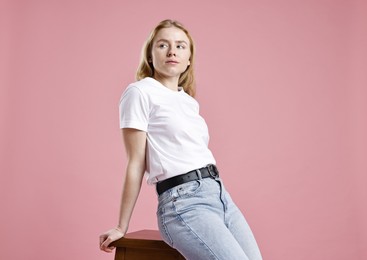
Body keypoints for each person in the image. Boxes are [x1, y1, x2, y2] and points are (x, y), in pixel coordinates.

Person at [99, 19, 263, 260]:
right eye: (163, 45)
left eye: (180, 46)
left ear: (188, 60)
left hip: (219, 195)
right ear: (150, 55)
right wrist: (121, 226)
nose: (172, 51)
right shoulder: (140, 92)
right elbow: (136, 162)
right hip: (183, 203)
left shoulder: (188, 101)